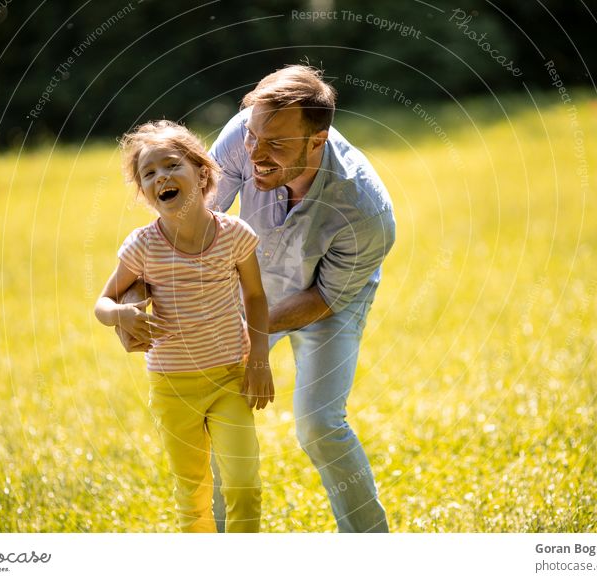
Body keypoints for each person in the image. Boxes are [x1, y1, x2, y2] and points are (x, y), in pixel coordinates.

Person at [209, 65, 396, 532]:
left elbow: (324, 299)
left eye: (276, 144)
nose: (257, 153)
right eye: (254, 136)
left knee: (318, 424)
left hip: (327, 300)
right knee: (215, 412)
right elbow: (194, 221)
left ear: (318, 140)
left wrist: (252, 334)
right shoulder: (243, 137)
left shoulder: (364, 210)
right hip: (254, 285)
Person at [94, 120, 274, 533]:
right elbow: (102, 304)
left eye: (172, 165)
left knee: (244, 485)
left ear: (203, 172)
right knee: (192, 495)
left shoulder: (234, 236)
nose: (161, 177)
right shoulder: (142, 245)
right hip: (172, 387)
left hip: (230, 376)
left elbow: (257, 299)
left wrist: (260, 359)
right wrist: (121, 314)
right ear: (145, 192)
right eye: (149, 174)